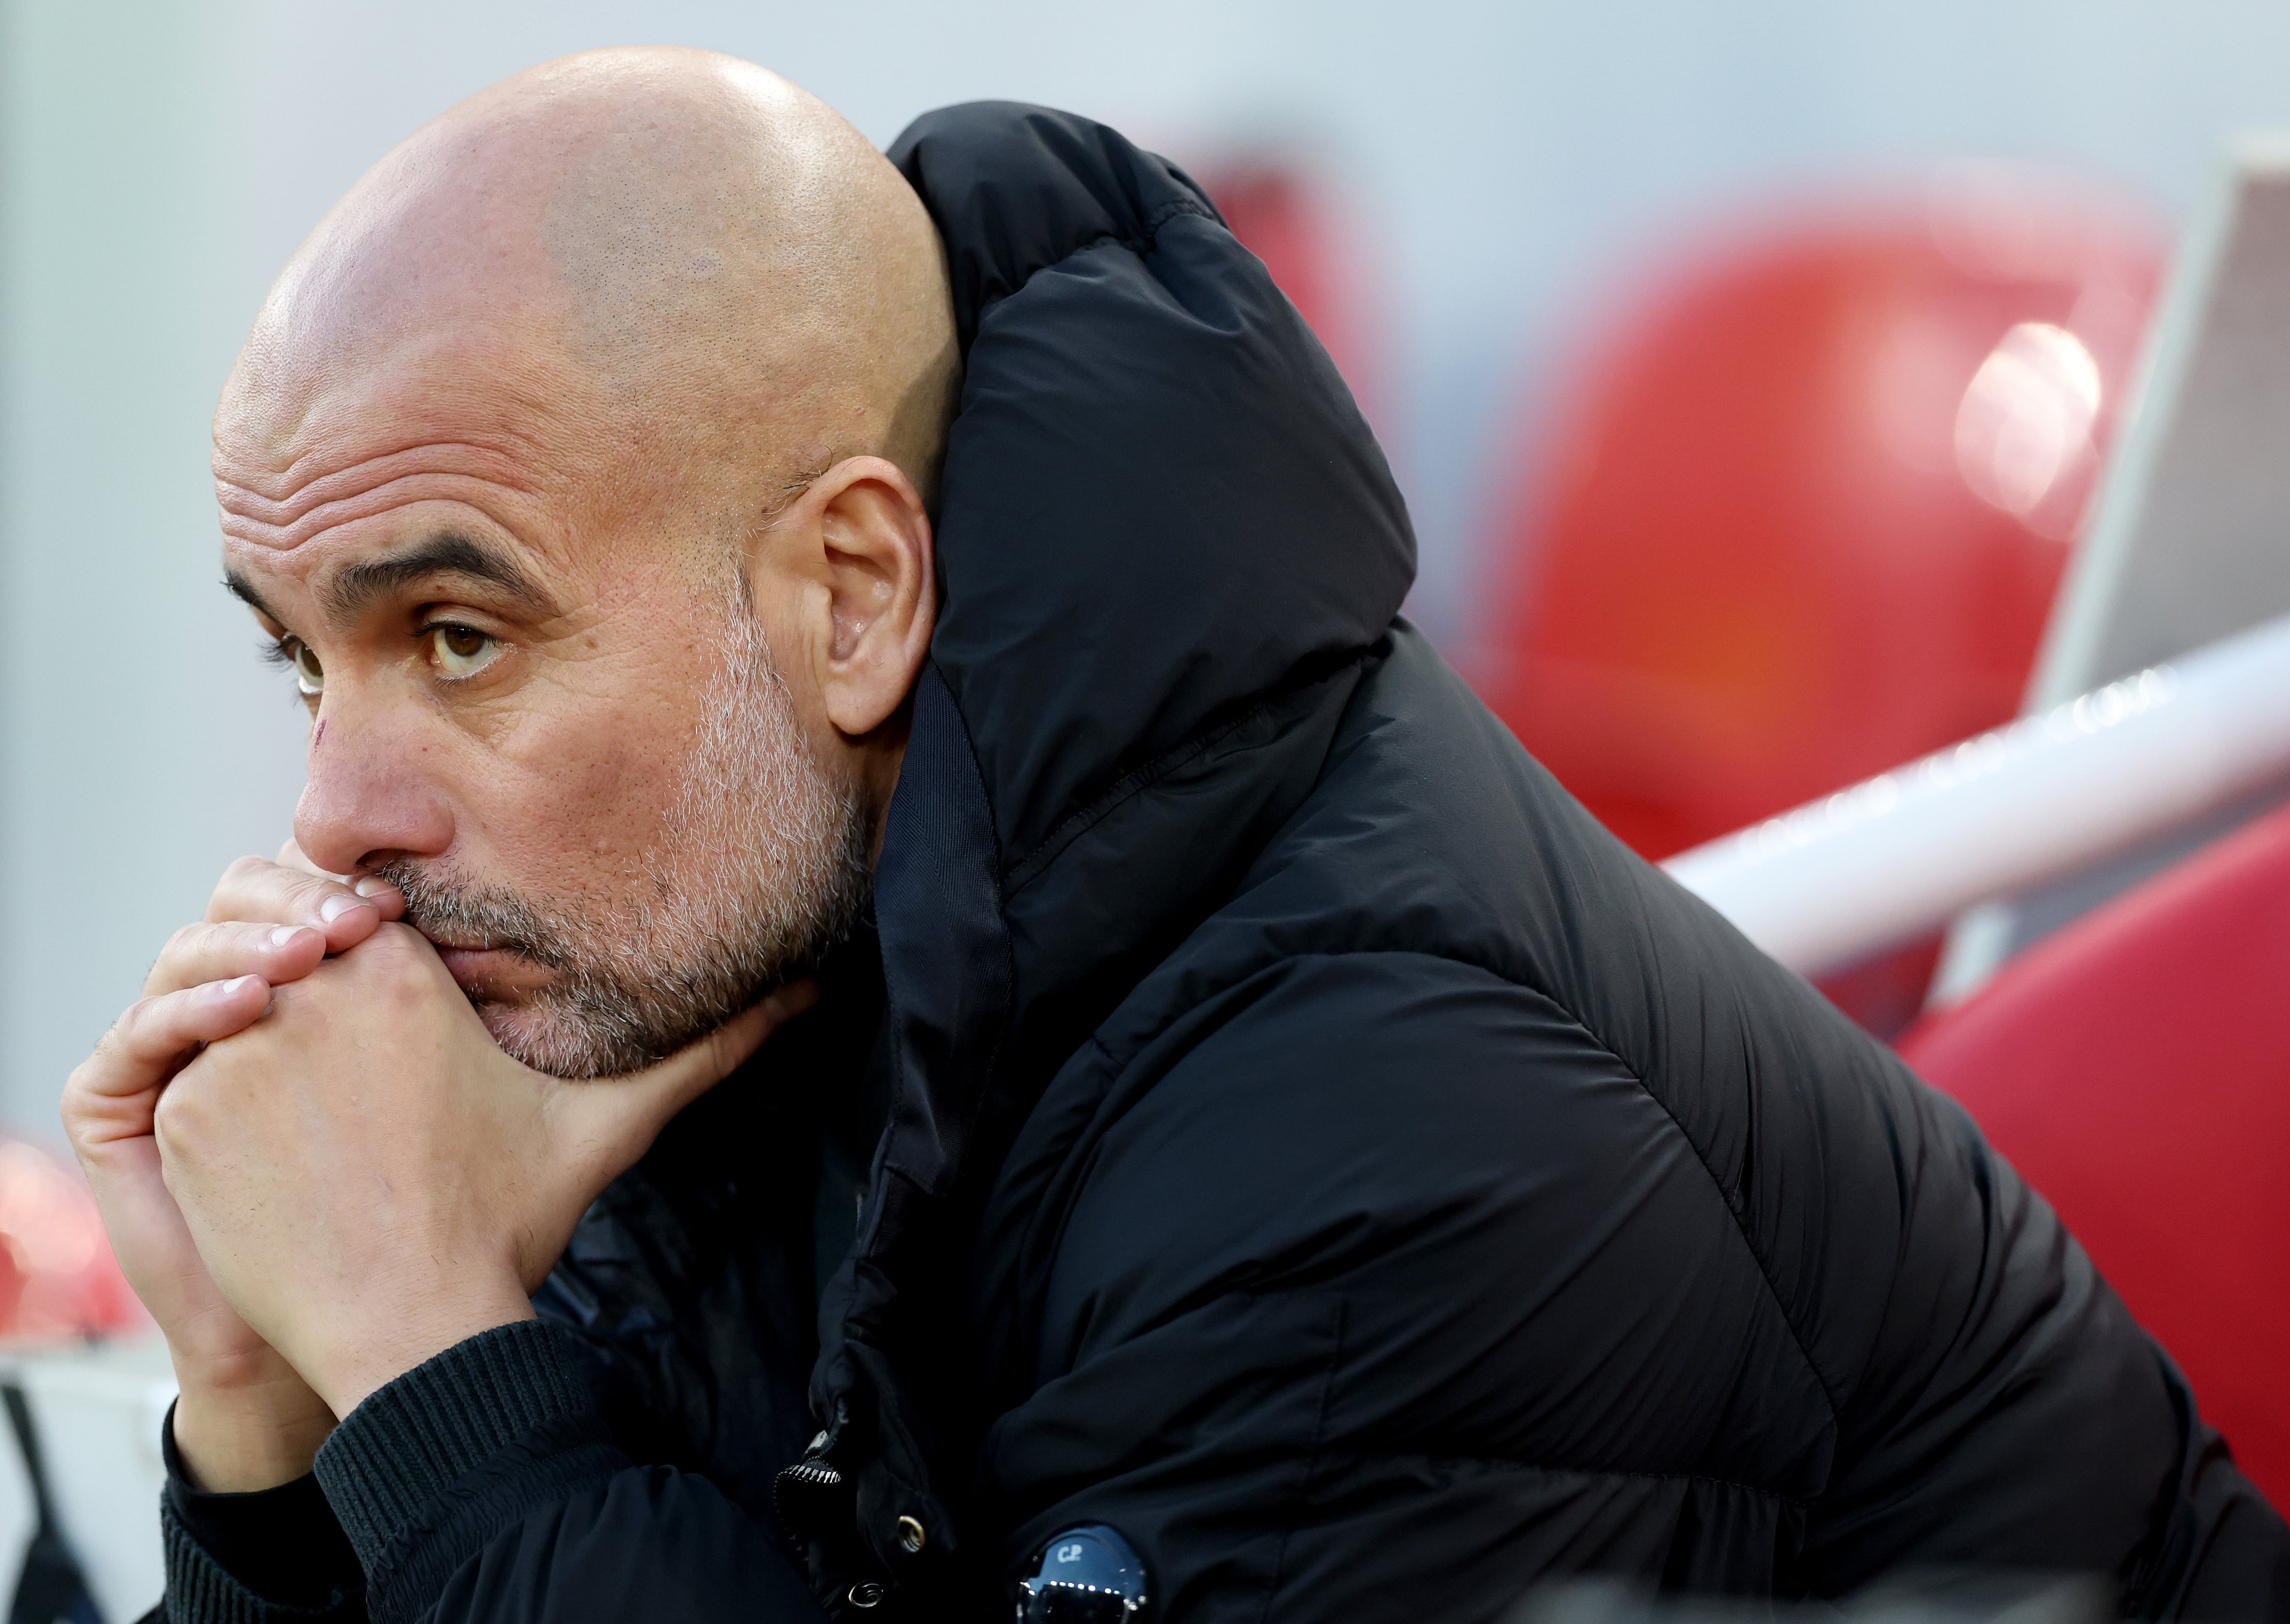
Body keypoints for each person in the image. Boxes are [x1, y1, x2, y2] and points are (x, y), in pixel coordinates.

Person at [60, 45, 2287, 1624]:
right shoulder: (724, 948)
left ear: (852, 597)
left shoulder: (1366, 1131)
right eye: (302, 662)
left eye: (455, 633)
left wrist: (449, 1367)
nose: (333, 817)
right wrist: (264, 1427)